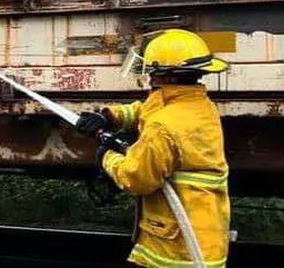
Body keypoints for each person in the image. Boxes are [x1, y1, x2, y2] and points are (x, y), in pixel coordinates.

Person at [74, 29, 232, 268]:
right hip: (204, 235)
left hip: (178, 249)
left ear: (166, 77)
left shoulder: (163, 126)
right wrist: (109, 117)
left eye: (153, 73)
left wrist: (107, 157)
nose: (150, 79)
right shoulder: (198, 105)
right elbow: (145, 109)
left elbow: (136, 178)